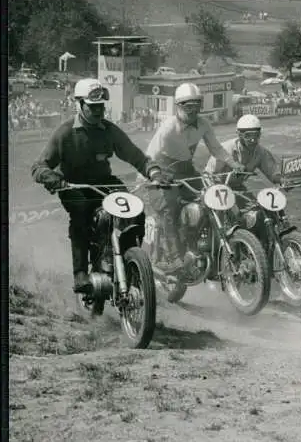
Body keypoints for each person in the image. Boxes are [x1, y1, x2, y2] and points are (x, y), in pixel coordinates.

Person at [31, 78, 165, 294]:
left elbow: (136, 156)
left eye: (101, 106)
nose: (98, 111)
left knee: (135, 209)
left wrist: (154, 172)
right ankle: (81, 273)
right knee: (81, 214)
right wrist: (52, 178)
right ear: (79, 104)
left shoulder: (109, 130)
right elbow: (39, 166)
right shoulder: (65, 133)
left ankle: (131, 260)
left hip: (104, 182)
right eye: (93, 107)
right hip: (72, 185)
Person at [144, 82, 242, 274]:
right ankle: (173, 259)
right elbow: (149, 156)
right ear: (178, 106)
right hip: (164, 173)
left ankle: (206, 246)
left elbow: (216, 149)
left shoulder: (203, 124)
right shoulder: (168, 128)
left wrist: (234, 164)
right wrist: (153, 176)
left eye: (196, 105)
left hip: (187, 171)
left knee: (212, 199)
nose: (193, 111)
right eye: (188, 106)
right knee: (168, 208)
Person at [204, 114, 285, 234]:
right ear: (239, 134)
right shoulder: (226, 149)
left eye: (256, 136)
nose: (252, 140)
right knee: (224, 223)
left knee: (256, 213)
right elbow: (209, 173)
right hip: (216, 187)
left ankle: (251, 245)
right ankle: (222, 245)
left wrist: (282, 180)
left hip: (238, 188)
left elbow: (272, 172)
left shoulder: (260, 152)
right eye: (248, 136)